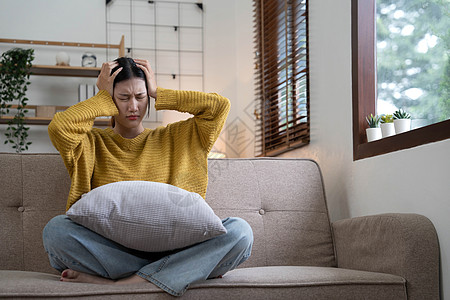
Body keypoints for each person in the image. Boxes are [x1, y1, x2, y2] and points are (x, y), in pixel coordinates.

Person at [43, 57, 253, 297]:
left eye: (141, 97)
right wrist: (101, 96)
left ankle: (127, 283)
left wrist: (158, 92)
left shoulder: (179, 137)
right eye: (123, 98)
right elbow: (59, 128)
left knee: (241, 232)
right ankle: (175, 274)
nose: (133, 106)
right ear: (110, 100)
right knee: (56, 231)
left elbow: (219, 107)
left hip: (177, 250)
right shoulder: (90, 144)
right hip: (115, 253)